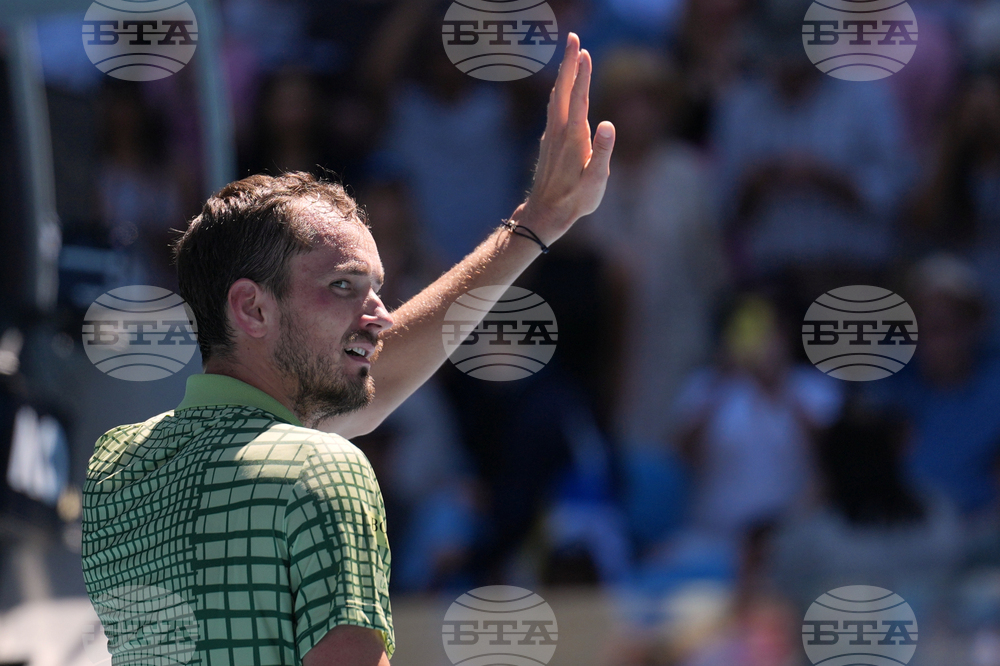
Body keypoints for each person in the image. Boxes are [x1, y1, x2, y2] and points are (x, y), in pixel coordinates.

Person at [81, 34, 616, 666]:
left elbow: (330, 402)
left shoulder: (116, 471)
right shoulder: (322, 470)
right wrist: (537, 224)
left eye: (376, 289)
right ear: (252, 307)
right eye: (342, 287)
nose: (381, 316)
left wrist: (535, 226)